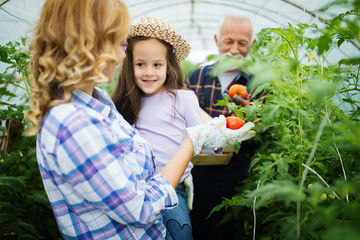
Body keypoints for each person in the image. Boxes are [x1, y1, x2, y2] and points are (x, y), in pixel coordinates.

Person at [24, 1, 256, 239]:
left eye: (121, 43)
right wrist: (191, 142)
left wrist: (213, 133)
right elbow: (141, 209)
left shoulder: (98, 101)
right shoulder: (75, 124)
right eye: (115, 42)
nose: (121, 54)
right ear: (83, 44)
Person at [111, 16, 222, 240]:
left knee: (179, 234)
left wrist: (220, 135)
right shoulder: (125, 102)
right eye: (140, 64)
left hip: (172, 188)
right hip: (135, 191)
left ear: (168, 66)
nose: (149, 72)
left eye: (157, 65)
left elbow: (202, 140)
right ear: (129, 65)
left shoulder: (183, 99)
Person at [185, 13, 268, 240]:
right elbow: (183, 117)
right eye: (228, 41)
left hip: (238, 174)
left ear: (252, 44)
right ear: (216, 40)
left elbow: (265, 130)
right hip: (198, 169)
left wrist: (249, 119)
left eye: (242, 43)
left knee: (227, 231)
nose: (234, 49)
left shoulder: (259, 83)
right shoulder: (197, 76)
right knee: (196, 226)